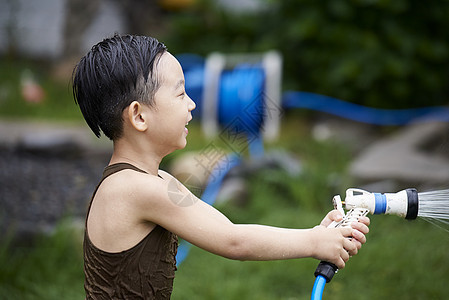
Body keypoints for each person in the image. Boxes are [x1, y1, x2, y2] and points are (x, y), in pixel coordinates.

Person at [72, 34, 370, 299]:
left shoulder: (157, 180)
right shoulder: (135, 189)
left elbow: (228, 229)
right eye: (180, 94)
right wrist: (315, 242)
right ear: (139, 116)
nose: (192, 104)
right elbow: (234, 243)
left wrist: (317, 233)